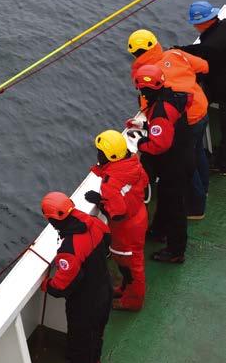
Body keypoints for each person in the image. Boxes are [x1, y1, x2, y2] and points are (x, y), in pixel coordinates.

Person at [128, 28, 209, 218]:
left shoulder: (144, 73)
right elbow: (204, 66)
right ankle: (204, 190)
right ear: (155, 44)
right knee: (198, 153)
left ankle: (196, 208)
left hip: (184, 120)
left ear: (133, 53)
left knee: (187, 164)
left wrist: (143, 127)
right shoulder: (175, 54)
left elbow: (151, 105)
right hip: (201, 108)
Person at [40, 191, 112, 363]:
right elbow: (107, 238)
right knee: (97, 329)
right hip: (104, 287)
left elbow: (62, 286)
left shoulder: (69, 250)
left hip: (86, 301)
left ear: (52, 220)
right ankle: (94, 360)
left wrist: (47, 285)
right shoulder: (93, 222)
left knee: (81, 334)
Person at [129, 64, 193, 263]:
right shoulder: (169, 99)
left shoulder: (161, 112)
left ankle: (175, 251)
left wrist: (140, 142)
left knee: (174, 205)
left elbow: (159, 145)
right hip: (181, 155)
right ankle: (159, 231)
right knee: (167, 198)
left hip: (174, 163)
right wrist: (145, 125)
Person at [85, 130, 149, 311]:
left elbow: (118, 213)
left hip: (125, 230)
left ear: (109, 156)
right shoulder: (132, 161)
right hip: (139, 217)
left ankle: (133, 301)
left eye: (100, 153)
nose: (98, 155)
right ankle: (125, 289)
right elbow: (143, 181)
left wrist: (99, 201)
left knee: (131, 267)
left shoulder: (110, 184)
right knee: (131, 264)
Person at [174, 1, 226, 176]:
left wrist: (179, 51)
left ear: (202, 22)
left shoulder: (212, 45)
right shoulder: (222, 26)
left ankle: (222, 164)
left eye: (195, 23)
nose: (194, 26)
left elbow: (203, 52)